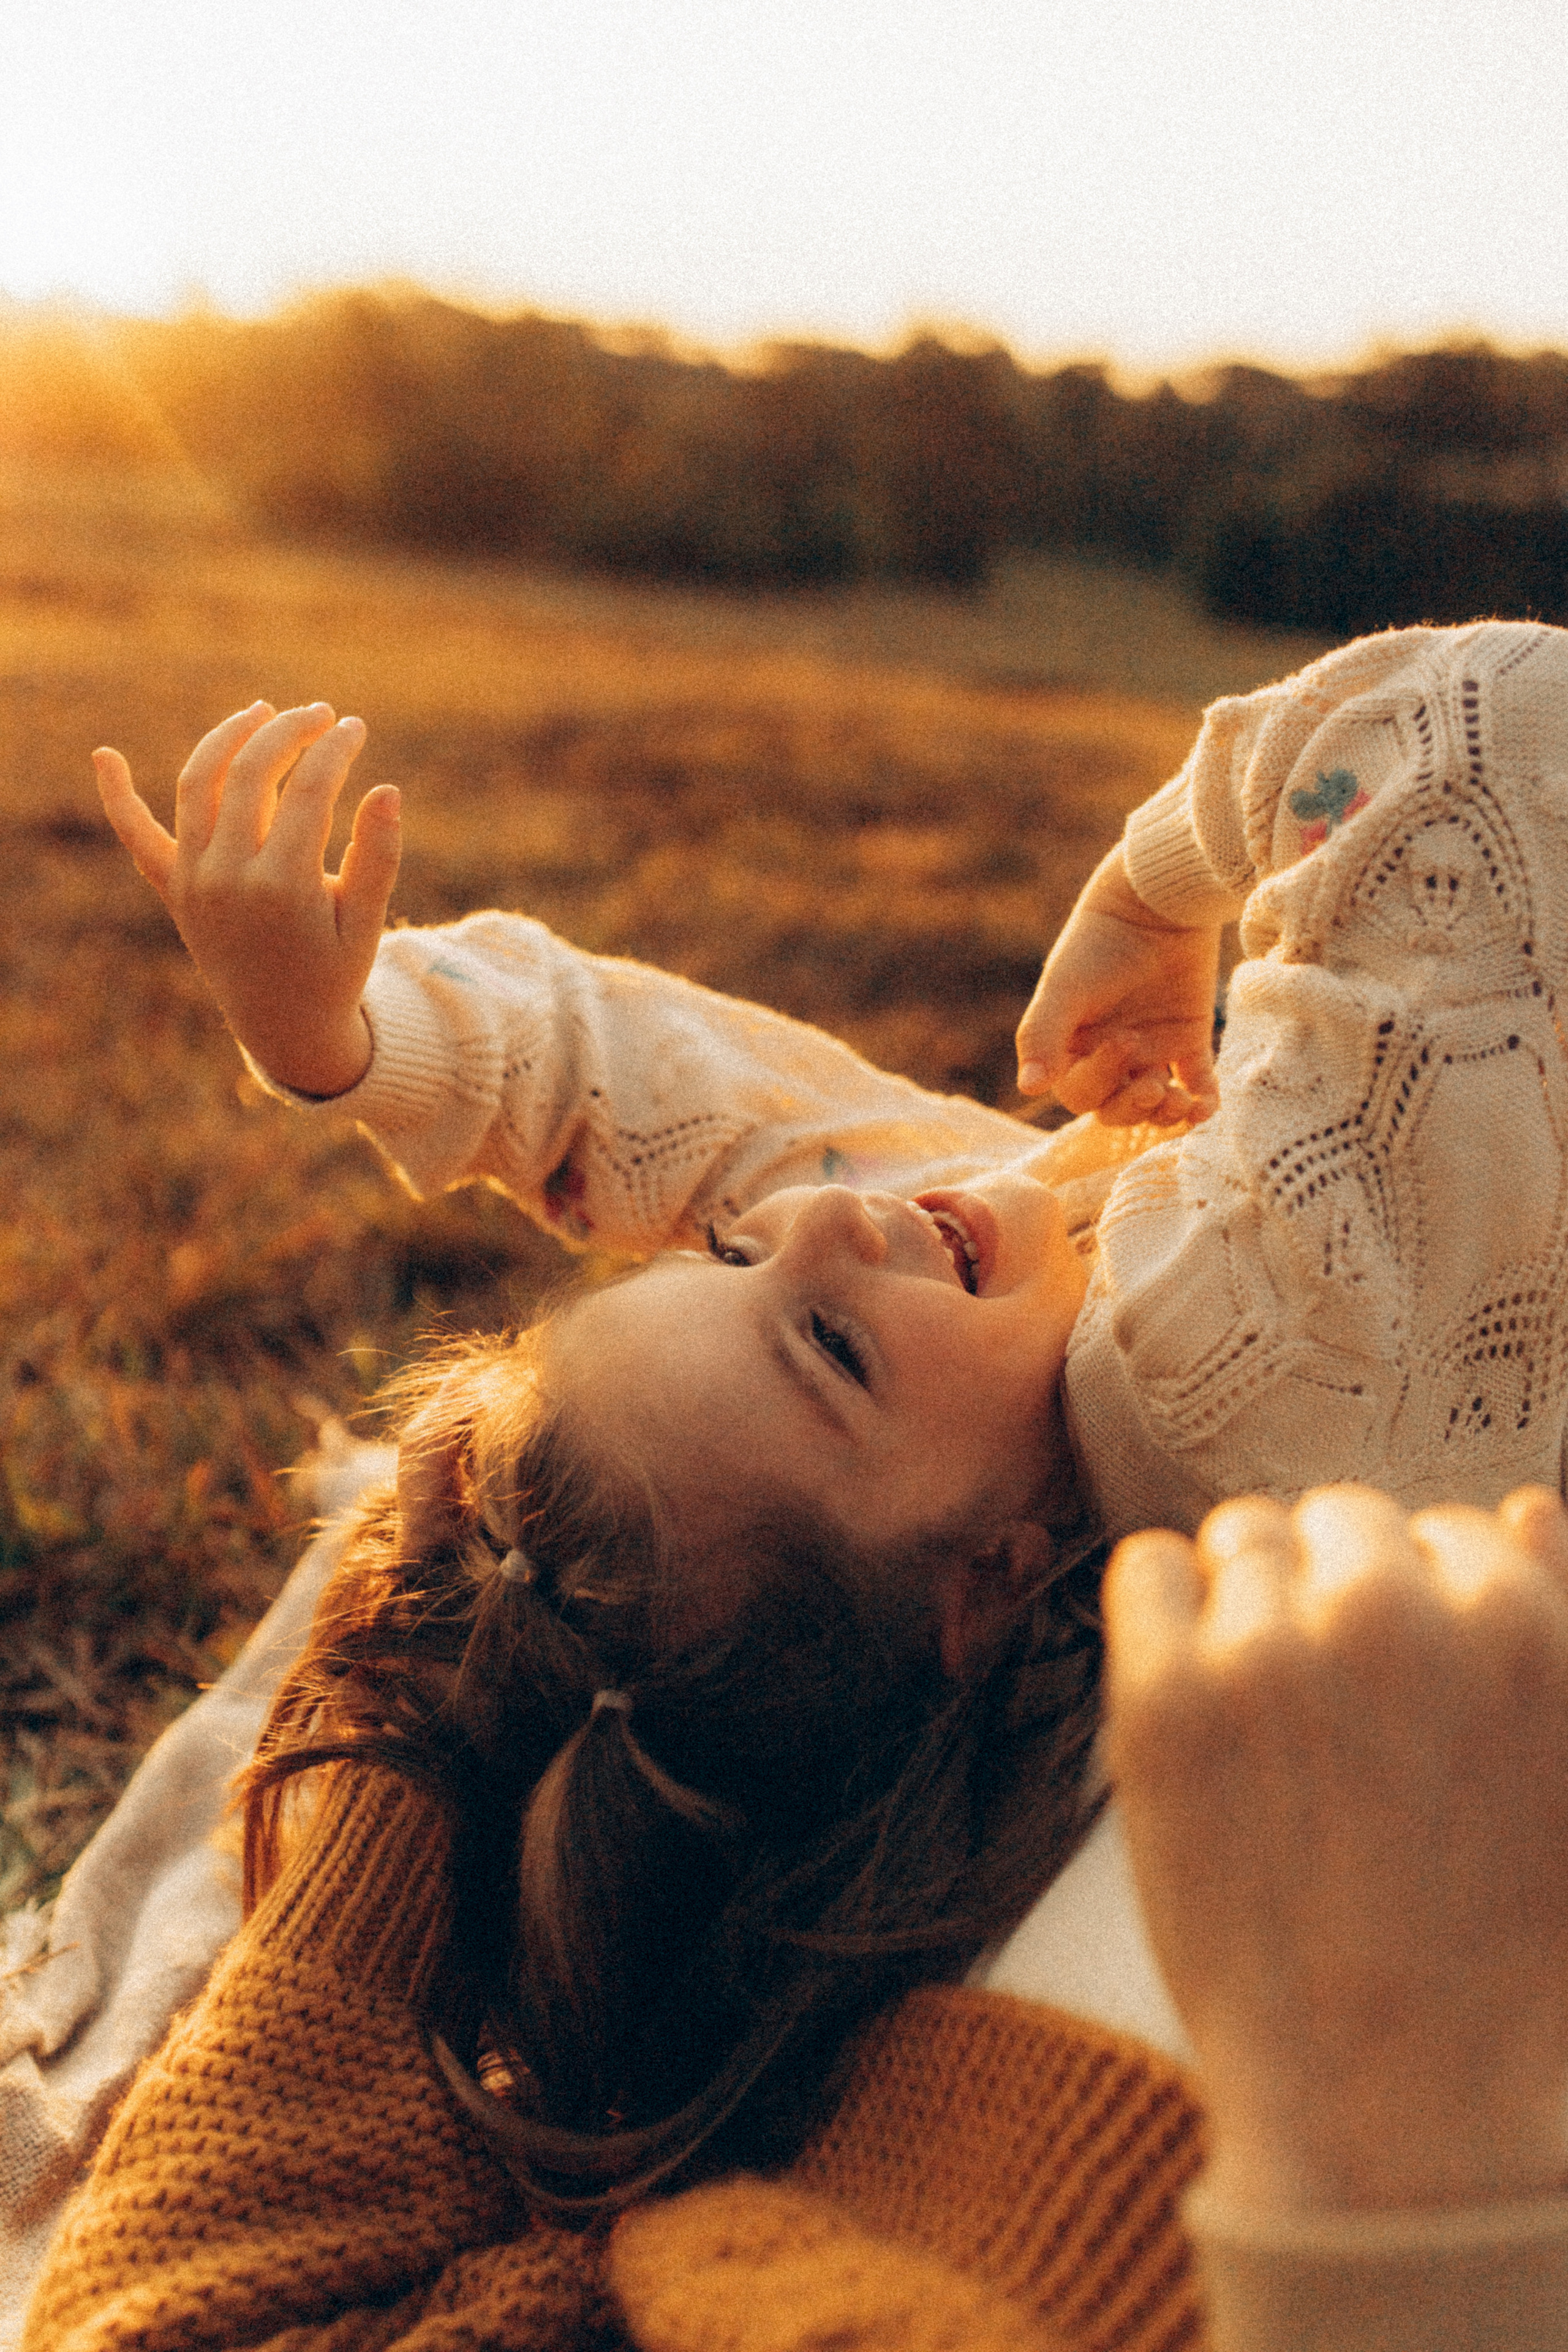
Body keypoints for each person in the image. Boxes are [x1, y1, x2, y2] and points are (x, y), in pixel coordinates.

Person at [18, 621, 1568, 2348]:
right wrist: (1156, 884)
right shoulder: (1255, 1349)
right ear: (988, 1590)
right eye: (826, 1344)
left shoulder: (971, 1347)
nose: (823, 1217)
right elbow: (1480, 744)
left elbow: (649, 1091)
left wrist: (346, 1031)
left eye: (734, 1256)